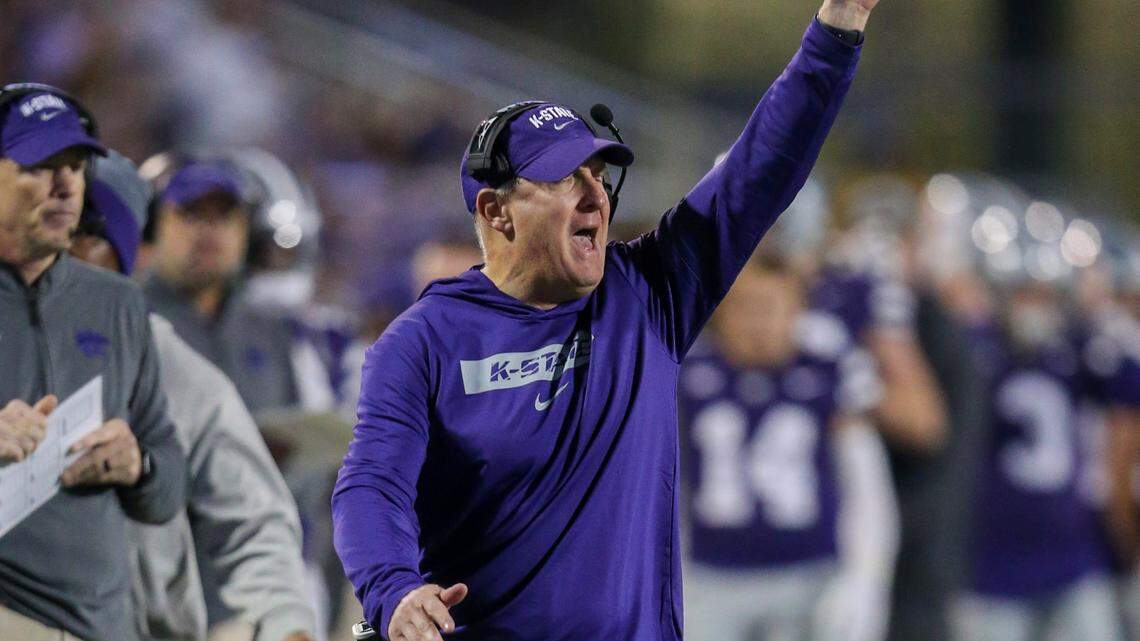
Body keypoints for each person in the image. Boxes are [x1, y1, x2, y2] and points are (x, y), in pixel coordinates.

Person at [332, 2, 877, 639]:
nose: (596, 195)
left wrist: (836, 30)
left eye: (598, 172)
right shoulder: (424, 342)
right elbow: (371, 484)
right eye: (565, 177)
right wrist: (393, 588)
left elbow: (760, 168)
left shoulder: (648, 291)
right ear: (496, 211)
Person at [71, 149, 317, 641]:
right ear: (152, 227)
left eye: (224, 216)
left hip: (248, 582)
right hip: (146, 591)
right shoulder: (122, 316)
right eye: (190, 214)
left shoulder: (273, 333)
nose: (209, 232)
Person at [0, 84, 186, 640]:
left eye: (76, 168)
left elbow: (169, 483)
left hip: (104, 624)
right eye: (41, 166)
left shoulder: (117, 302)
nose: (64, 188)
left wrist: (138, 465)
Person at [677, 251, 895, 641]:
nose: (758, 323)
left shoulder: (828, 371)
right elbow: (664, 486)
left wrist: (864, 580)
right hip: (712, 578)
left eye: (771, 307)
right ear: (720, 310)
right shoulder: (688, 373)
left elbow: (867, 488)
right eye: (745, 307)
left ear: (799, 312)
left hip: (808, 578)